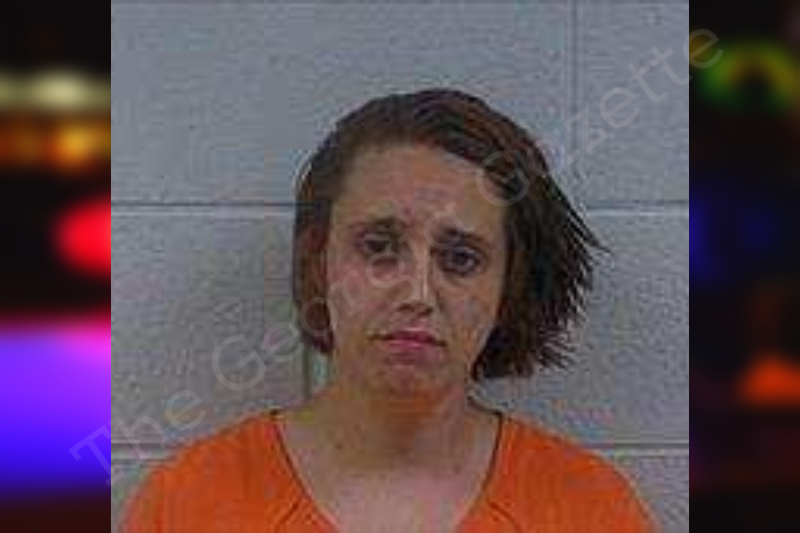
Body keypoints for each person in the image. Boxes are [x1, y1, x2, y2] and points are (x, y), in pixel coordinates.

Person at [123, 88, 655, 532]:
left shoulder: (590, 509)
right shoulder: (189, 502)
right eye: (379, 247)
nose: (417, 293)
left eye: (461, 258)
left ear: (508, 288)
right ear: (317, 263)